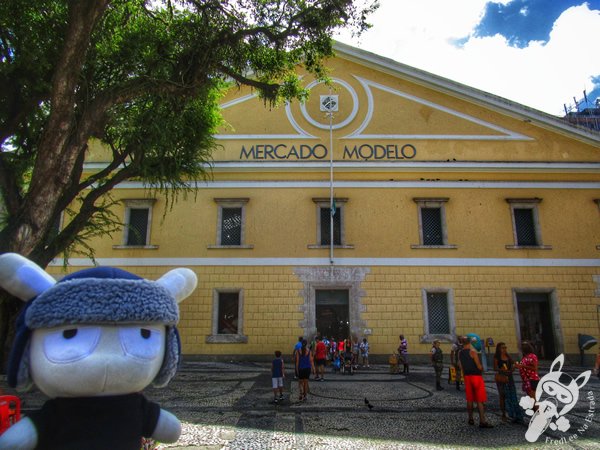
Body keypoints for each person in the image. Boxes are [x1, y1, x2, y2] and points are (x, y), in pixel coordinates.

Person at [458, 335, 493, 428]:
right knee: (479, 400)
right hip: (476, 377)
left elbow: (460, 366)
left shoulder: (460, 353)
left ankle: (470, 418)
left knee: (469, 399)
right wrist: (482, 368)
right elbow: (479, 366)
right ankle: (482, 421)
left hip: (467, 377)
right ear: (469, 343)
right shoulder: (472, 352)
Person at [493, 342, 524, 424]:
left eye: (505, 347)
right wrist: (501, 369)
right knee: (502, 396)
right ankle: (504, 414)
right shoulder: (496, 357)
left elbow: (513, 365)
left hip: (509, 378)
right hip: (501, 378)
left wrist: (514, 367)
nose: (504, 349)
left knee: (513, 396)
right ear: (499, 349)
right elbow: (495, 368)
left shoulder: (508, 357)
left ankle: (514, 414)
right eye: (502, 348)